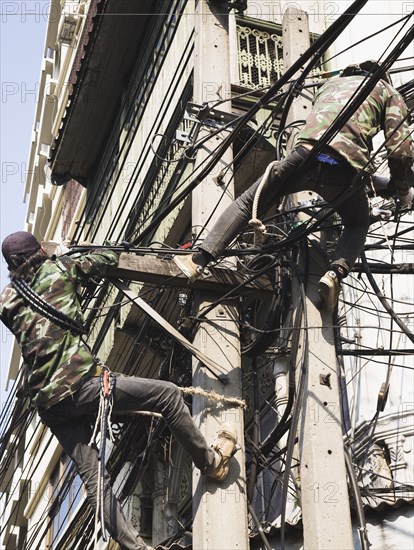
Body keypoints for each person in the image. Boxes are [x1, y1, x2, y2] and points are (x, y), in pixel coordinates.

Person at [0, 231, 238, 550]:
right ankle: (210, 463)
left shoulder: (7, 301)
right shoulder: (62, 268)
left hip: (49, 405)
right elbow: (105, 258)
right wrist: (61, 253)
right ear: (40, 249)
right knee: (167, 395)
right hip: (80, 383)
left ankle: (136, 549)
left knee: (96, 483)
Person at [174, 61, 414, 310]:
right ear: (384, 77)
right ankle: (334, 275)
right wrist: (403, 188)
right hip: (344, 172)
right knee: (357, 222)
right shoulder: (387, 91)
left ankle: (198, 259)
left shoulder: (329, 86)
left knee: (248, 202)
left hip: (304, 157)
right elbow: (400, 152)